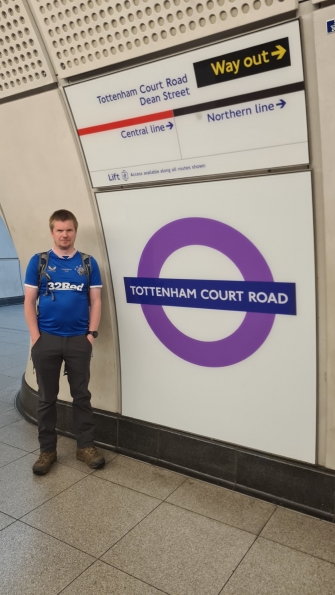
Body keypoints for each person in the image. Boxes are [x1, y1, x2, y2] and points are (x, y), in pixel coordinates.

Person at [24, 209, 105, 475]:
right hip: (46, 340)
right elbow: (28, 302)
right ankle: (47, 451)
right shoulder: (39, 261)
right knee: (47, 398)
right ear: (52, 232)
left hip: (79, 341)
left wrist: (91, 335)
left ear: (75, 231)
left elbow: (95, 301)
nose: (64, 235)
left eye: (69, 230)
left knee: (81, 396)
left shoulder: (88, 263)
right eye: (59, 230)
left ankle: (85, 447)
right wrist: (36, 339)